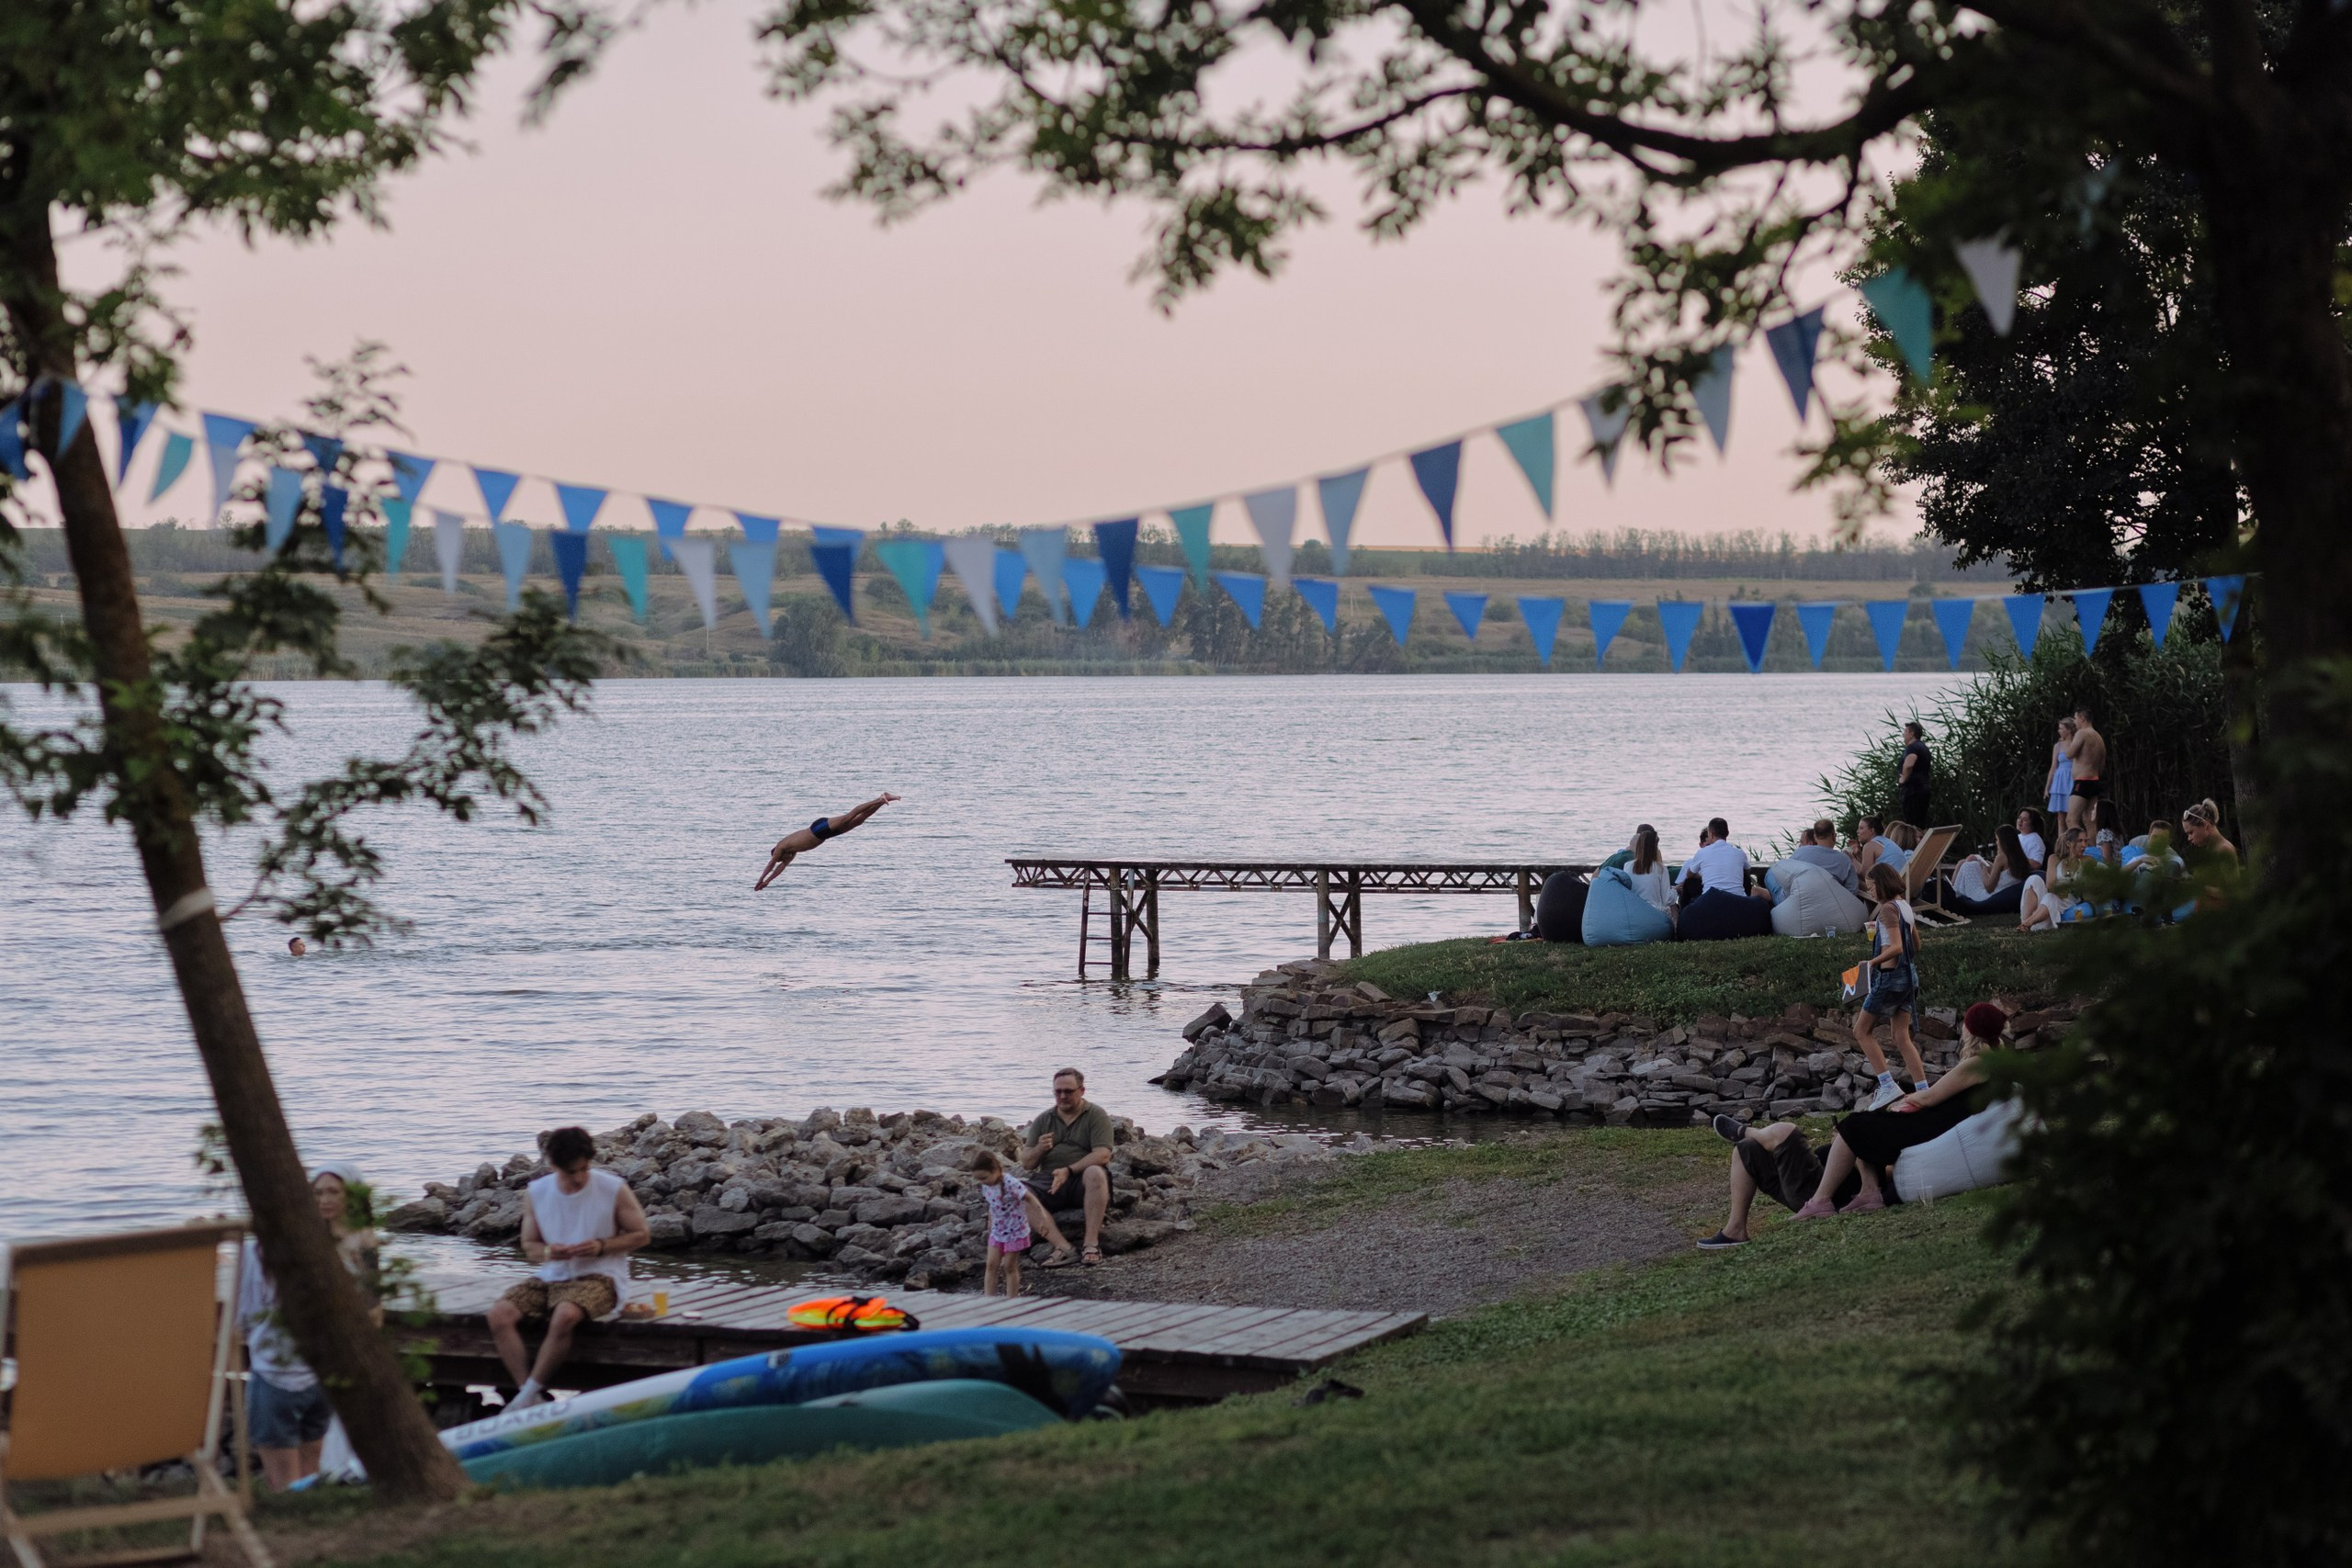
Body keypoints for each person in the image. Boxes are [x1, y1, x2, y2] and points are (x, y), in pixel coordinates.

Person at [235, 1163, 380, 1488]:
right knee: (294, 1458)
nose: (325, 1200)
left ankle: (301, 1504)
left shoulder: (361, 1243)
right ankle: (302, 1503)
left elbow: (373, 1307)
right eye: (318, 1193)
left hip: (317, 1363)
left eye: (333, 1192)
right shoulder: (288, 1244)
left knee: (307, 1454)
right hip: (292, 1361)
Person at [1792, 1003, 2010, 1218]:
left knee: (1853, 1125)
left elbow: (1930, 1097)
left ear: (1972, 1029)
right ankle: (1868, 1192)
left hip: (1930, 1125)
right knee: (1861, 1125)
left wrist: (1903, 1101)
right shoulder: (1993, 1062)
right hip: (1941, 1123)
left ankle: (1821, 1201)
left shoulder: (1976, 1063)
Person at [487, 1125, 651, 1409]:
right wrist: (551, 1252)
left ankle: (524, 1398)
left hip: (602, 1276)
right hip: (551, 1275)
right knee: (499, 1314)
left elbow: (642, 1235)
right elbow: (530, 1246)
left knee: (565, 1314)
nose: (578, 1179)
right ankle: (529, 1392)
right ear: (553, 1165)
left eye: (583, 1169)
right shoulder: (537, 1192)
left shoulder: (612, 1188)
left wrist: (601, 1246)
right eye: (570, 1172)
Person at [1019, 1067, 1115, 1267]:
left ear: (1081, 1091)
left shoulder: (1095, 1115)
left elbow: (1103, 1154)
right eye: (1058, 1092)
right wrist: (1039, 1149)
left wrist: (1069, 1170)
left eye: (1068, 1091)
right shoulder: (1044, 1119)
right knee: (1017, 1192)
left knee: (1096, 1172)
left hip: (1080, 1179)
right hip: (1048, 1180)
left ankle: (1091, 1244)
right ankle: (1064, 1247)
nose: (1062, 1096)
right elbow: (1027, 1163)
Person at [1854, 863, 1928, 1107]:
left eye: (1873, 886)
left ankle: (1887, 1087)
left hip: (1890, 979)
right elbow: (1915, 947)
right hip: (1909, 977)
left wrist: (1872, 961)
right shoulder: (1904, 906)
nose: (1871, 891)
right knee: (1901, 1037)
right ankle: (1923, 1091)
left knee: (1861, 1031)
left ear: (1883, 884)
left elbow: (1896, 947)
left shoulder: (1887, 909)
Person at [754, 792, 900, 889]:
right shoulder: (791, 853)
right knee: (859, 820)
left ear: (777, 854)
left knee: (848, 817)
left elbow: (771, 865)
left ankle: (879, 799)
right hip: (826, 835)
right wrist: (768, 882)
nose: (782, 861)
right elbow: (780, 869)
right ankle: (883, 801)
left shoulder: (781, 847)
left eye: (779, 859)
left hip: (818, 828)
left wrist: (760, 879)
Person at [971, 1150, 1030, 1297]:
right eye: (979, 1180)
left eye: (984, 1177)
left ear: (996, 1170)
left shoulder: (1011, 1183)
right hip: (998, 1230)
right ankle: (988, 1298)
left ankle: (1012, 1299)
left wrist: (1041, 1218)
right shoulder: (987, 1186)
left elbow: (1031, 1198)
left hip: (1014, 1230)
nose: (983, 1182)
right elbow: (992, 1204)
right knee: (991, 1265)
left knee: (1009, 1266)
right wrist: (990, 1221)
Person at [2019, 828, 2092, 931]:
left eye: (2086, 841)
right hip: (2048, 902)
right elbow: (2050, 886)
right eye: (2080, 841)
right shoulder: (2054, 859)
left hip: (2065, 904)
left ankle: (2027, 924)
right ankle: (2026, 923)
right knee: (2034, 879)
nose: (2084, 845)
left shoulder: (2087, 861)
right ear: (2068, 843)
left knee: (2051, 897)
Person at [1677, 818, 1761, 906]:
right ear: (1727, 833)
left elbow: (1689, 874)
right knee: (1746, 880)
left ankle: (1682, 912)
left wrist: (1701, 876)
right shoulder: (1739, 852)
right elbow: (1747, 870)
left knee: (1689, 883)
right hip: (1738, 901)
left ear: (1711, 834)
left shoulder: (1702, 852)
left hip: (1710, 901)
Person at [1951, 825, 2030, 904]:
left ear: (2003, 841)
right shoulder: (2020, 858)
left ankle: (1954, 895)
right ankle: (1955, 893)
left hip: (1988, 897)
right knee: (1973, 864)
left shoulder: (2001, 857)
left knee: (1968, 866)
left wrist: (1984, 868)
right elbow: (2005, 874)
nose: (1997, 843)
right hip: (2002, 894)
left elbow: (1989, 888)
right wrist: (1987, 864)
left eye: (1997, 839)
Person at [1623, 824, 1679, 926]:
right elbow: (1667, 899)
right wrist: (1676, 890)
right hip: (1654, 915)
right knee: (1673, 905)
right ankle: (1676, 930)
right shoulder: (1660, 868)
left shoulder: (1627, 866)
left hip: (1634, 913)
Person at [1790, 818, 1862, 895]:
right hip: (1833, 902)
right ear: (1833, 836)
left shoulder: (1800, 852)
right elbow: (1853, 888)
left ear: (1815, 837)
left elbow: (1787, 878)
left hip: (1802, 899)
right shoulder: (1844, 859)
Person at [2064, 706, 2108, 832]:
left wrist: (2068, 740)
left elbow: (2069, 755)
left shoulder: (2082, 733)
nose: (2074, 722)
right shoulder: (2098, 737)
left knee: (2071, 820)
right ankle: (2093, 850)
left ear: (2082, 718)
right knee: (2090, 821)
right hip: (2094, 780)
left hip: (2082, 781)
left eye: (2076, 718)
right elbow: (2102, 763)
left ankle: (2078, 846)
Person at [1896, 721, 1933, 829]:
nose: (1903, 734)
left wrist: (1903, 779)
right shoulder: (1923, 747)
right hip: (1923, 790)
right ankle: (1922, 845)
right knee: (1920, 825)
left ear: (1912, 734)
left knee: (1912, 826)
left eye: (1906, 731)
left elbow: (1909, 764)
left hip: (1912, 792)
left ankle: (1913, 846)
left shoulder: (1912, 748)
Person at [2181, 798, 2237, 863]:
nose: (2189, 838)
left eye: (2191, 832)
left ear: (2204, 825)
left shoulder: (2225, 851)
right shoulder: (2210, 848)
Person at [2044, 716, 2076, 819]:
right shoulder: (2058, 746)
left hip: (2073, 778)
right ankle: (2061, 836)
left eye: (2062, 728)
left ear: (2069, 729)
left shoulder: (2077, 743)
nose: (2059, 731)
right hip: (2060, 781)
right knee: (2061, 817)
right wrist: (2047, 787)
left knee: (2074, 816)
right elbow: (2053, 767)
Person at [2014, 807, 2049, 872]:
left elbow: (2037, 864)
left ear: (2033, 824)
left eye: (2025, 819)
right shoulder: (2017, 837)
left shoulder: (2035, 839)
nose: (2020, 821)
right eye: (2019, 817)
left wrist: (2016, 857)